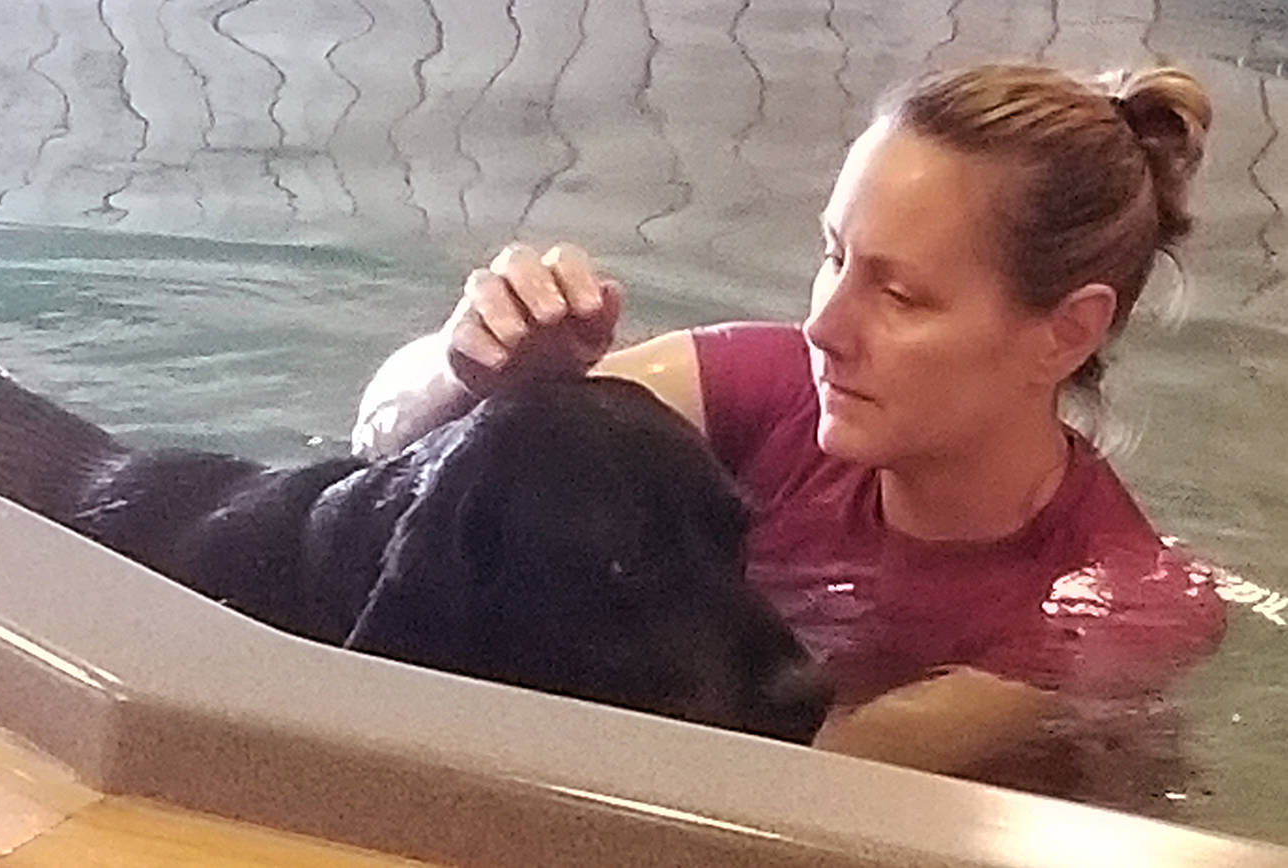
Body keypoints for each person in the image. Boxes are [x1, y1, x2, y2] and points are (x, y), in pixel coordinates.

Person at [351, 63, 1226, 779]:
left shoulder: (1110, 605)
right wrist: (473, 375)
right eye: (831, 256)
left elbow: (785, 787)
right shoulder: (766, 392)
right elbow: (384, 456)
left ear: (1066, 332)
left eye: (900, 293)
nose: (824, 327)